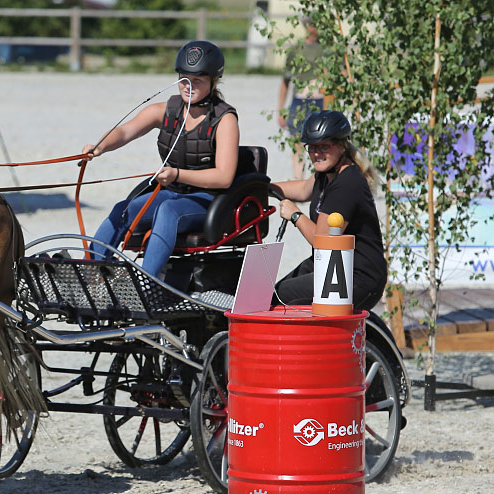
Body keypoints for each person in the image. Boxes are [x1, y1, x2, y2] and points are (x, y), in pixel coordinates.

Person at [83, 41, 240, 277]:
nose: (188, 86)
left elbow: (224, 177)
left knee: (168, 210)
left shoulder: (224, 119)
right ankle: (89, 274)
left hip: (208, 201)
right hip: (171, 191)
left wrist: (177, 174)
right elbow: (126, 131)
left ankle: (148, 284)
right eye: (183, 78)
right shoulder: (166, 110)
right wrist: (100, 146)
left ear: (213, 81)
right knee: (124, 210)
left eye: (197, 80)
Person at [272, 110, 387, 310]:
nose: (317, 154)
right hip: (335, 267)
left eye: (324, 146)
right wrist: (260, 187)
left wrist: (295, 215)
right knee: (273, 291)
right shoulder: (325, 174)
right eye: (312, 147)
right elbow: (302, 189)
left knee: (282, 296)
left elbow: (322, 241)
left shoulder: (347, 184)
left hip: (358, 276)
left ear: (342, 145)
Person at [277, 16, 325, 179]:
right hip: (299, 101)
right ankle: (299, 179)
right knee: (298, 144)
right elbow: (286, 81)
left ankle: (317, 181)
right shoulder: (297, 50)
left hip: (320, 100)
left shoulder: (328, 50)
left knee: (321, 144)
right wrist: (281, 109)